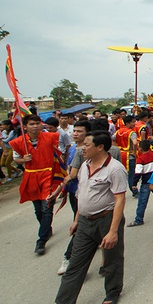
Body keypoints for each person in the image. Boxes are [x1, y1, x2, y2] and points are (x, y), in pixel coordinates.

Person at [55, 131, 128, 304]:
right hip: (85, 222)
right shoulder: (84, 167)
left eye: (87, 145)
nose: (82, 148)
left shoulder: (115, 169)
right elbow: (82, 195)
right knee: (75, 263)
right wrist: (76, 220)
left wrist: (113, 231)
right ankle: (64, 301)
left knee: (112, 260)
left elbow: (120, 200)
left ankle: (112, 292)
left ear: (100, 147)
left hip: (107, 220)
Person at [10, 114, 60, 255]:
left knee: (47, 208)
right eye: (32, 124)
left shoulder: (51, 137)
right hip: (31, 176)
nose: (35, 126)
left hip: (48, 176)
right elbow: (16, 159)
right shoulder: (19, 142)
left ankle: (41, 240)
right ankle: (46, 227)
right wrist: (23, 160)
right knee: (38, 209)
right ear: (25, 126)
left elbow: (59, 153)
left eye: (37, 123)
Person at [57, 119, 92, 275]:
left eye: (79, 131)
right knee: (80, 223)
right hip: (73, 191)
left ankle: (69, 258)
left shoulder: (90, 151)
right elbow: (69, 172)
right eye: (75, 131)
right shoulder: (72, 149)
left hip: (88, 193)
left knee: (80, 225)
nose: (75, 134)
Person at [127, 140, 153, 227]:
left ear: (140, 149)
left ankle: (139, 219)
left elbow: (138, 173)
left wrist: (134, 184)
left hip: (146, 182)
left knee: (142, 201)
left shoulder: (140, 159)